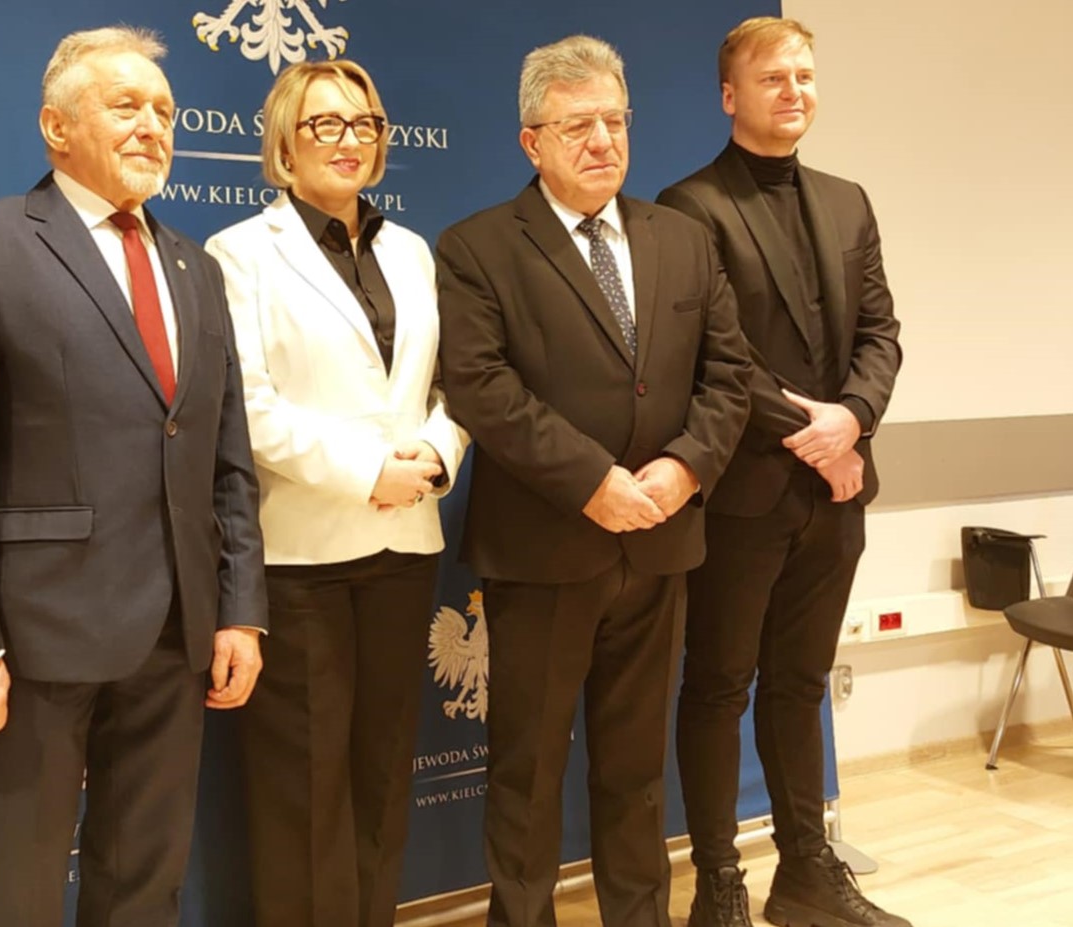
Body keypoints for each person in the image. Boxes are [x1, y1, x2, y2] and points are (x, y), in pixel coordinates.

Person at [0, 26, 266, 927]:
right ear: (56, 127)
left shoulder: (197, 268)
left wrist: (240, 606)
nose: (153, 126)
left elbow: (227, 455)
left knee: (146, 881)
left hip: (178, 636)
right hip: (35, 640)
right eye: (126, 105)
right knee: (19, 889)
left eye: (165, 111)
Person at [436, 34, 752, 927]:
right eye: (578, 125)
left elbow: (730, 376)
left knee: (636, 768)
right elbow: (482, 387)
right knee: (528, 769)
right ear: (531, 141)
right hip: (543, 549)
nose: (603, 140)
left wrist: (686, 467)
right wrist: (592, 481)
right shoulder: (477, 247)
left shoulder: (682, 239)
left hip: (660, 542)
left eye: (615, 120)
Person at [204, 59, 468, 927]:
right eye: (325, 123)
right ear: (285, 140)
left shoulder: (411, 251)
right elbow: (247, 409)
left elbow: (451, 386)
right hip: (303, 557)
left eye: (364, 123)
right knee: (304, 789)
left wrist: (435, 454)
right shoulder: (241, 253)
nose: (349, 139)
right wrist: (366, 473)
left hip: (405, 545)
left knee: (383, 776)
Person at [657, 16, 905, 927]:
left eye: (804, 74)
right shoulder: (690, 208)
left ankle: (804, 872)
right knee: (719, 686)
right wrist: (820, 434)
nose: (793, 90)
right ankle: (719, 881)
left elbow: (880, 332)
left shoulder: (848, 202)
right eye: (772, 78)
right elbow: (716, 356)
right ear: (730, 96)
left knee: (801, 684)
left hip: (837, 493)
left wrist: (855, 419)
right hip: (743, 494)